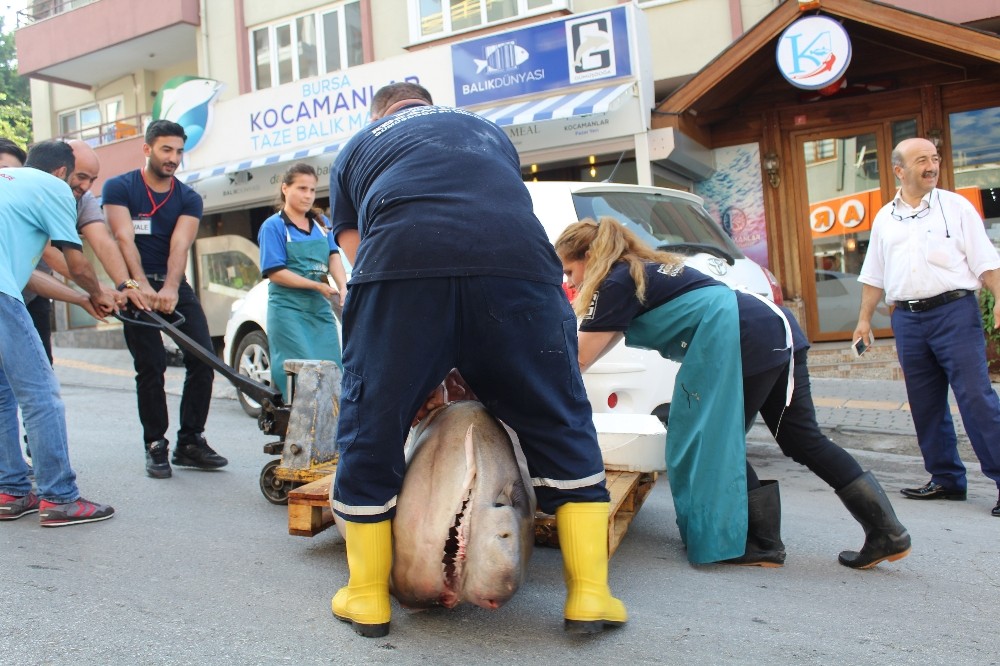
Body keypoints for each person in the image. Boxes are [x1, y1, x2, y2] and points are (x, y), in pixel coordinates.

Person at [326, 82, 626, 638]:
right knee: (559, 419)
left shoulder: (359, 144)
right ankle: (590, 594)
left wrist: (413, 357)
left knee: (373, 423)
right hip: (518, 264)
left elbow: (355, 245)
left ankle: (366, 596)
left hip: (401, 261)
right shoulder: (486, 131)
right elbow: (492, 208)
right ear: (429, 104)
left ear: (380, 113)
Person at [555, 217, 911, 569]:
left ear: (589, 256)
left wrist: (546, 387)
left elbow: (581, 357)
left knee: (710, 438)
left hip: (745, 336)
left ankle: (762, 542)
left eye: (570, 271)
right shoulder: (639, 271)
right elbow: (600, 342)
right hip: (774, 327)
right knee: (802, 439)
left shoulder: (615, 281)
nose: (569, 281)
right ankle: (887, 532)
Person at [854, 136, 1000, 518]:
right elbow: (874, 275)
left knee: (976, 399)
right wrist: (864, 319)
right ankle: (946, 478)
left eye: (934, 158)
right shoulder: (884, 218)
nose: (932, 166)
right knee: (924, 403)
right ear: (899, 170)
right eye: (921, 160)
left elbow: (986, 261)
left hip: (955, 313)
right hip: (907, 319)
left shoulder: (956, 207)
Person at [0, 140, 116, 527]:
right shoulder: (52, 188)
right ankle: (60, 497)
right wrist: (99, 293)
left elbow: (27, 276)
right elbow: (76, 262)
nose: (81, 187)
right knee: (40, 394)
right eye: (79, 177)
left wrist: (83, 299)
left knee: (2, 394)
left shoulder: (8, 184)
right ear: (62, 171)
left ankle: (11, 490)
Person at [103, 120, 227, 480]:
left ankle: (190, 441)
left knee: (203, 358)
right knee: (151, 366)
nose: (173, 158)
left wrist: (171, 288)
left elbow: (180, 245)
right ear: (147, 149)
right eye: (166, 149)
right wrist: (139, 285)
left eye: (179, 151)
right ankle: (155, 444)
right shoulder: (119, 187)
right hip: (132, 284)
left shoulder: (188, 197)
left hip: (173, 283)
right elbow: (123, 238)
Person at [256, 163, 347, 399]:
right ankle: (295, 420)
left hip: (319, 310)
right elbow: (275, 272)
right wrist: (316, 285)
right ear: (285, 188)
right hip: (288, 311)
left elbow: (334, 256)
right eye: (302, 188)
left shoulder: (321, 223)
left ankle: (332, 423)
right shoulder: (273, 226)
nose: (308, 195)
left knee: (332, 369)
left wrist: (343, 287)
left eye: (312, 190)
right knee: (303, 374)